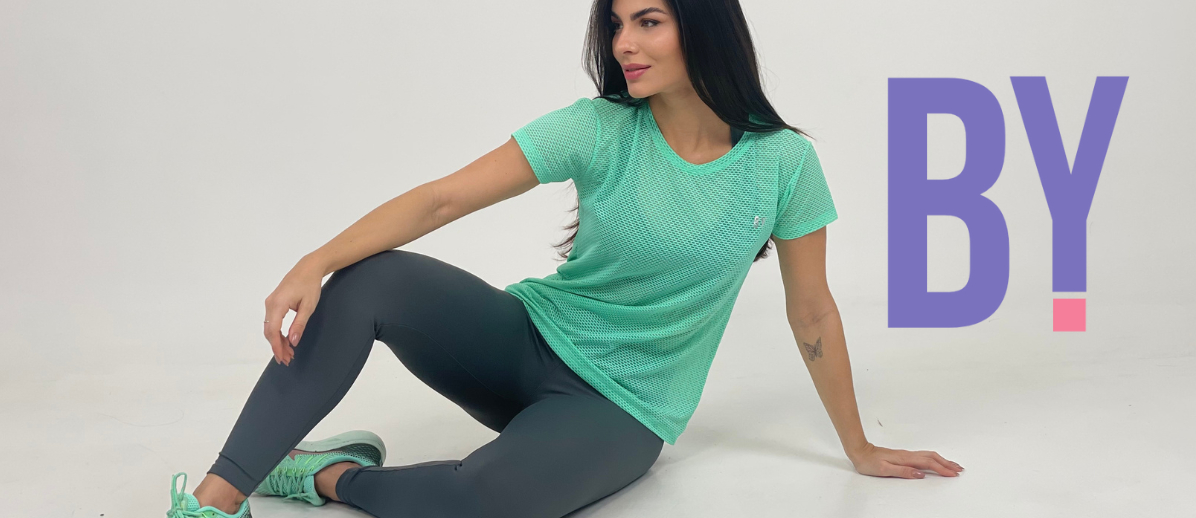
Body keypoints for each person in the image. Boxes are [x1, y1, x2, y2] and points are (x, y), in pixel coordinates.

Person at [165, 0, 964, 516]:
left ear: (704, 26)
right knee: (372, 276)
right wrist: (313, 261)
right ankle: (214, 499)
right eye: (616, 25)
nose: (624, 44)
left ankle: (326, 475)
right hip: (524, 342)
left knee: (484, 503)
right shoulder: (600, 126)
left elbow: (812, 311)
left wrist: (859, 447)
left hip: (623, 408)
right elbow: (443, 200)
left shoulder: (784, 164)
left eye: (648, 21)